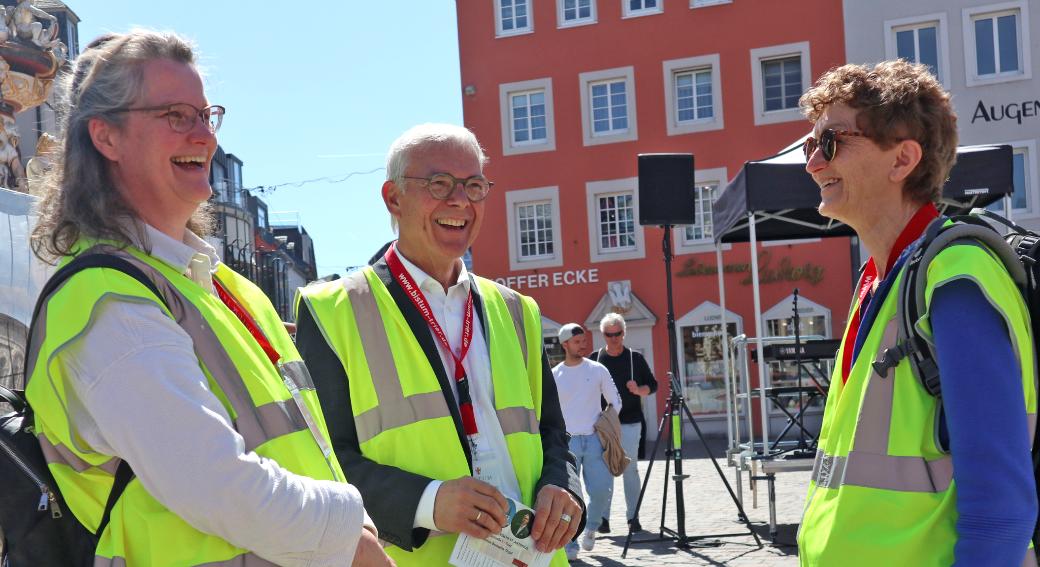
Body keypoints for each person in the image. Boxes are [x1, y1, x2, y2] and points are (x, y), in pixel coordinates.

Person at [24, 30, 390, 566]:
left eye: (205, 115)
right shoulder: (109, 302)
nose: (205, 137)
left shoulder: (225, 286)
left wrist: (354, 524)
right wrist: (349, 538)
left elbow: (305, 446)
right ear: (107, 138)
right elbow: (216, 483)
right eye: (175, 115)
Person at [295, 123, 583, 566]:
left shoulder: (517, 309)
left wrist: (562, 488)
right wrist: (427, 502)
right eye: (439, 184)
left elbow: (552, 433)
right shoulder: (331, 309)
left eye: (473, 186)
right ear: (393, 198)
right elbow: (321, 463)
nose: (460, 201)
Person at [796, 60, 1037, 566]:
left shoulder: (955, 277)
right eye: (808, 146)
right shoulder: (879, 281)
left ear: (902, 158)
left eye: (831, 143)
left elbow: (1000, 511)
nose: (812, 163)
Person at [552, 323, 621, 559]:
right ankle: (570, 541)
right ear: (565, 344)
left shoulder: (597, 369)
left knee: (602, 490)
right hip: (567, 442)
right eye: (577, 341)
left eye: (584, 341)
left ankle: (591, 527)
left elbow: (615, 401)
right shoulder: (555, 375)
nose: (583, 344)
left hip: (595, 440)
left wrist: (606, 423)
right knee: (570, 496)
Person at [588, 312, 657, 533]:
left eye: (617, 333)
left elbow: (652, 386)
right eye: (609, 334)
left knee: (630, 469)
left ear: (624, 333)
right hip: (602, 423)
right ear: (603, 335)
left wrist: (638, 390)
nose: (614, 338)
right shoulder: (595, 359)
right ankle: (602, 519)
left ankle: (633, 517)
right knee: (604, 470)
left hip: (630, 421)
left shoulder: (634, 358)